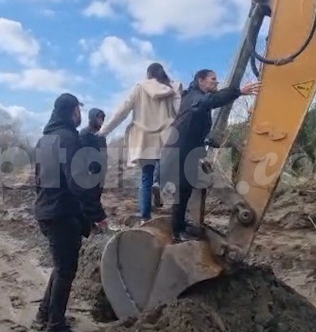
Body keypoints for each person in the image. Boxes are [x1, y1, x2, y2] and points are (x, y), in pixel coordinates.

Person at [33, 93, 106, 332]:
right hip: (62, 213)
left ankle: (45, 315)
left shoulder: (44, 140)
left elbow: (38, 180)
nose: (79, 115)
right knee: (66, 270)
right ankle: (56, 328)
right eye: (78, 110)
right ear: (72, 111)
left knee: (60, 266)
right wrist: (97, 214)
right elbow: (79, 182)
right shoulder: (68, 138)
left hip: (45, 210)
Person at [159, 69, 260, 242]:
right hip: (179, 152)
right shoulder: (194, 97)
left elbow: (193, 128)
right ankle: (177, 231)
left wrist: (206, 142)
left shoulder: (197, 99)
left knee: (186, 191)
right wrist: (238, 91)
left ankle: (181, 225)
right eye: (213, 79)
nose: (216, 82)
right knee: (182, 191)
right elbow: (209, 101)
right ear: (201, 80)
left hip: (188, 151)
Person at [97, 62, 182, 224]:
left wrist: (103, 132)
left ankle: (145, 217)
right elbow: (180, 111)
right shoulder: (172, 88)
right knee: (166, 170)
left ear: (148, 74)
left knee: (145, 178)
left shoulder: (140, 88)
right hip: (166, 136)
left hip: (143, 139)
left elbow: (122, 111)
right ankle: (161, 187)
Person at [79, 108, 109, 231]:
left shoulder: (101, 135)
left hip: (100, 171)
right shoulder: (84, 133)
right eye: (98, 117)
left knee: (97, 195)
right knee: (88, 196)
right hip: (89, 171)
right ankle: (89, 223)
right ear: (92, 118)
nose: (100, 120)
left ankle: (93, 222)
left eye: (102, 118)